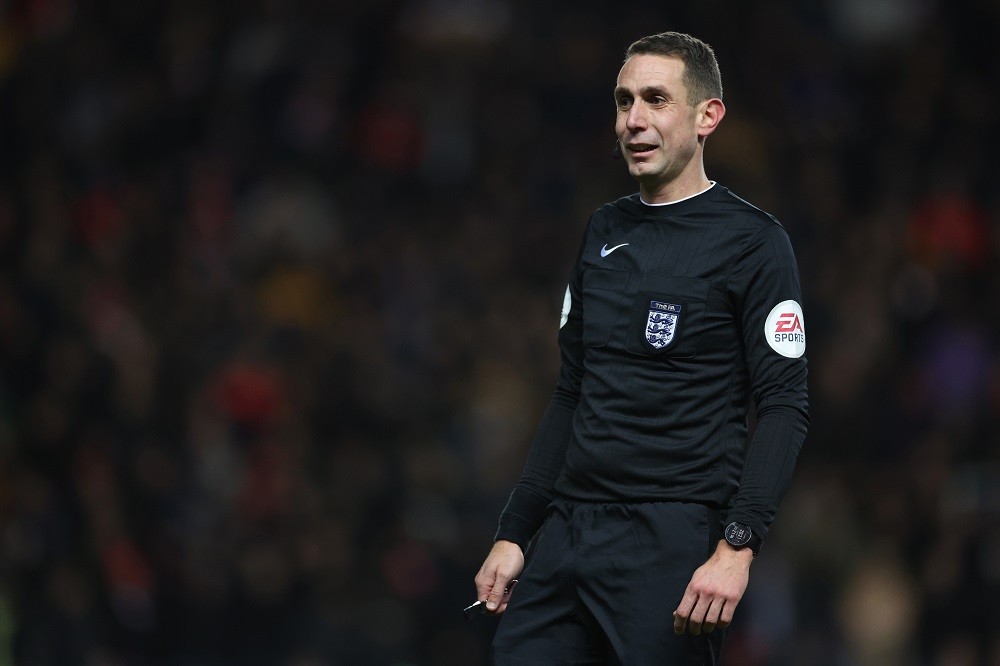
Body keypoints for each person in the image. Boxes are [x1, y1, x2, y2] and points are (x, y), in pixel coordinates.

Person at [473, 31, 809, 664]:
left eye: (656, 99)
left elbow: (785, 404)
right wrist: (516, 532)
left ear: (708, 116)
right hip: (568, 534)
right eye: (624, 101)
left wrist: (737, 548)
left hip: (671, 542)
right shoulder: (603, 230)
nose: (634, 120)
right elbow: (572, 391)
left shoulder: (754, 243)